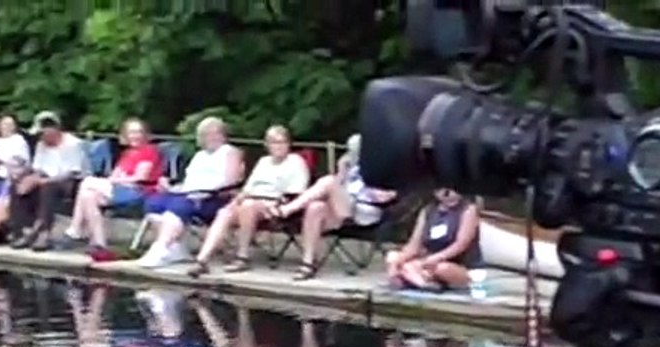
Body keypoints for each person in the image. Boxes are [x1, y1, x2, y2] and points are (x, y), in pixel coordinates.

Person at [269, 133, 396, 280]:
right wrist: (342, 171)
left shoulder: (384, 167)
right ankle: (308, 262)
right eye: (352, 151)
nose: (353, 154)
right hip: (344, 209)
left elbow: (390, 195)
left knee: (328, 181)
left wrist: (368, 192)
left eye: (356, 151)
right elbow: (340, 186)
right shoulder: (351, 165)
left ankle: (286, 210)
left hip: (365, 210)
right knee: (315, 207)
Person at [186, 125, 309, 277]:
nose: (278, 146)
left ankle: (242, 257)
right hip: (252, 201)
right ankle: (202, 260)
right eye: (273, 142)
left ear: (288, 144)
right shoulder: (263, 162)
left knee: (248, 206)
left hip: (275, 206)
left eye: (282, 142)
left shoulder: (295, 162)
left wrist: (267, 202)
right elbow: (248, 188)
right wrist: (235, 201)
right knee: (225, 212)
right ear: (267, 145)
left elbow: (295, 193)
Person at [136, 116, 244, 268]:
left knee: (178, 207)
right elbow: (190, 179)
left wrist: (205, 190)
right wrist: (174, 187)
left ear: (223, 135)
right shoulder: (199, 155)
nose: (211, 137)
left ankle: (159, 249)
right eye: (207, 134)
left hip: (213, 197)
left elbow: (231, 180)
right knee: (154, 202)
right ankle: (175, 247)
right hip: (188, 193)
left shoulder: (230, 152)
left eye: (216, 133)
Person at [56, 117, 163, 258]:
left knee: (87, 182)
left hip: (139, 192)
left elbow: (140, 177)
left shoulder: (149, 151)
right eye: (131, 132)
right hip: (121, 190)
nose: (135, 136)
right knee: (88, 196)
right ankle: (100, 245)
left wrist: (118, 180)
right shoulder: (127, 154)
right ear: (125, 135)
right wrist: (117, 180)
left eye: (138, 132)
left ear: (145, 134)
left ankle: (76, 229)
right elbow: (114, 176)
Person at [9, 111, 90, 250]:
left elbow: (71, 173)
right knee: (19, 187)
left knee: (48, 188)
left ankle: (44, 233)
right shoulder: (42, 145)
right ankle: (23, 230)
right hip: (46, 179)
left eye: (43, 133)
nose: (41, 137)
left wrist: (43, 181)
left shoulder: (73, 144)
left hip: (71, 183)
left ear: (54, 130)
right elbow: (38, 168)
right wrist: (31, 179)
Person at [386, 188, 481, 290]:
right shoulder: (428, 210)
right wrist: (396, 262)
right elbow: (414, 245)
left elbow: (461, 243)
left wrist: (437, 257)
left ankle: (417, 280)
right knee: (395, 259)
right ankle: (424, 283)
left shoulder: (468, 209)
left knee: (442, 269)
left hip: (458, 263)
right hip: (428, 262)